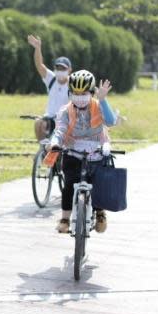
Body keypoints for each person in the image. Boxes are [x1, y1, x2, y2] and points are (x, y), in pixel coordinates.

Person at [49, 70, 118, 234]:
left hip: (97, 151)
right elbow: (60, 130)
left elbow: (111, 121)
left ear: (91, 93)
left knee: (99, 183)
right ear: (70, 93)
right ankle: (65, 219)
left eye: (84, 93)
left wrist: (103, 100)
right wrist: (54, 142)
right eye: (75, 93)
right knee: (68, 185)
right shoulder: (66, 110)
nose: (80, 97)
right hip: (73, 151)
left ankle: (100, 213)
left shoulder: (98, 106)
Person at [27, 34, 72, 141]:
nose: (60, 71)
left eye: (63, 69)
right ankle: (43, 149)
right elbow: (39, 64)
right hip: (49, 118)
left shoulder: (73, 84)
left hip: (64, 121)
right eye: (58, 68)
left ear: (69, 70)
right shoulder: (52, 79)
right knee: (38, 123)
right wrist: (38, 48)